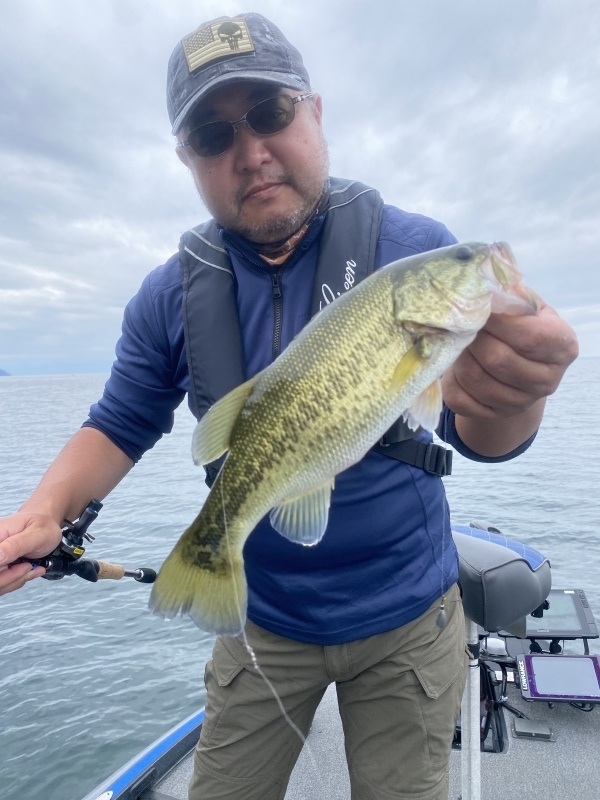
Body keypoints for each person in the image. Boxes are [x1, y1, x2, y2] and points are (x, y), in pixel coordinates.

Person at [0, 12, 578, 800]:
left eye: (270, 112)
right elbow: (121, 420)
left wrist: (522, 396)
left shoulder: (412, 251)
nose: (251, 152)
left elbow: (481, 434)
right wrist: (42, 512)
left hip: (410, 615)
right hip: (262, 623)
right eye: (213, 135)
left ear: (315, 111)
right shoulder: (170, 295)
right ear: (187, 158)